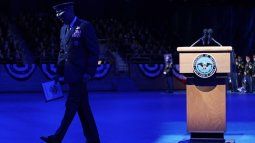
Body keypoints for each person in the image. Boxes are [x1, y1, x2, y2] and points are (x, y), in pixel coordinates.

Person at [40, 1, 100, 143]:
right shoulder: (63, 29)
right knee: (84, 110)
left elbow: (94, 51)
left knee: (70, 108)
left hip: (80, 76)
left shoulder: (85, 26)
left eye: (59, 12)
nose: (57, 16)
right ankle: (94, 140)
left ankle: (57, 138)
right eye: (55, 13)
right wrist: (58, 72)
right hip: (69, 75)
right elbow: (63, 53)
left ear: (69, 10)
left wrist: (89, 72)